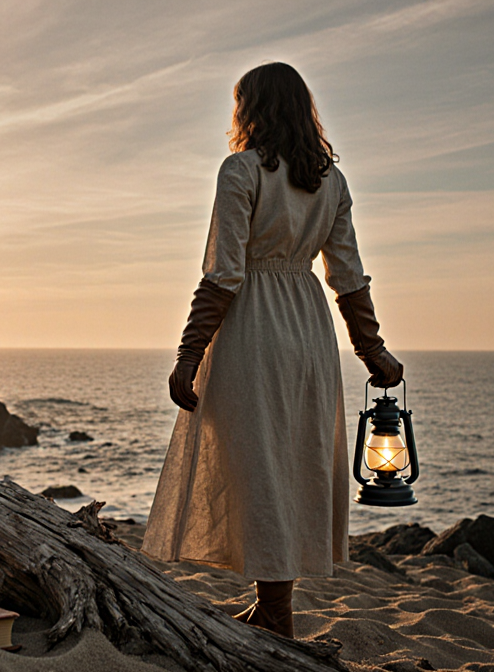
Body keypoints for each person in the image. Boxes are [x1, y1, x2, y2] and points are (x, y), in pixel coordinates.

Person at [140, 62, 403, 639]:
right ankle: (271, 602)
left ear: (251, 109)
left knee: (257, 465)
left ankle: (277, 612)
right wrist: (371, 349)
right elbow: (349, 276)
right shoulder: (329, 180)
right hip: (309, 332)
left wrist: (188, 354)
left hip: (253, 329)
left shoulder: (240, 170)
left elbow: (223, 273)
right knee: (288, 463)